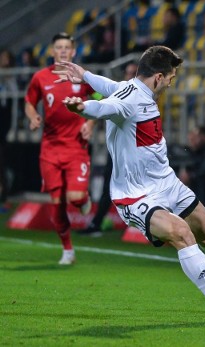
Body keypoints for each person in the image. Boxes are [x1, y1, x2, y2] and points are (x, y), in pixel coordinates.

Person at [55, 46, 205, 326]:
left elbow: (106, 86)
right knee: (181, 233)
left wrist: (83, 74)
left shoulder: (130, 88)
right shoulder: (128, 101)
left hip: (166, 181)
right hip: (135, 195)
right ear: (157, 77)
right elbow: (104, 107)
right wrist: (82, 108)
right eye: (170, 77)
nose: (171, 82)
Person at [24, 33, 96, 265]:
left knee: (74, 197)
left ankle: (84, 200)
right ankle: (67, 250)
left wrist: (90, 122)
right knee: (56, 202)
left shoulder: (81, 77)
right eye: (59, 47)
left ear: (73, 52)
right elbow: (29, 102)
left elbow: (100, 97)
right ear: (53, 51)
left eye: (67, 47)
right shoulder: (40, 78)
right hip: (50, 149)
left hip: (76, 146)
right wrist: (33, 115)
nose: (63, 51)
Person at [79, 62, 139, 237]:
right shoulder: (118, 92)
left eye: (133, 73)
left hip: (137, 152)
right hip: (116, 151)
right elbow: (100, 99)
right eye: (128, 73)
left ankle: (150, 224)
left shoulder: (142, 96)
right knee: (109, 187)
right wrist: (89, 91)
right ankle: (96, 223)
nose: (130, 76)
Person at [0, 49, 17, 210]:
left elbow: (14, 97)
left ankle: (4, 196)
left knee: (1, 161)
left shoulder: (11, 77)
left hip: (3, 122)